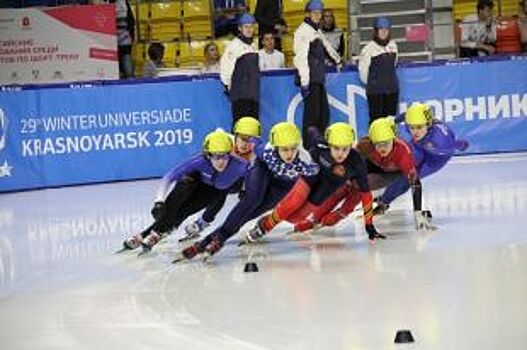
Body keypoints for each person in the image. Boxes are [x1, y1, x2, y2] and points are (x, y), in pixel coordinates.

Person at [173, 122, 320, 262]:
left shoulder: (305, 162)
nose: (289, 154)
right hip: (263, 170)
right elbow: (248, 140)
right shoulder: (266, 151)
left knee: (247, 215)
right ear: (275, 147)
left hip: (281, 186)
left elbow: (318, 171)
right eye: (284, 149)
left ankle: (204, 243)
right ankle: (219, 238)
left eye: (293, 149)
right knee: (251, 201)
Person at [241, 122, 386, 244]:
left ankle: (267, 219)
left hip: (325, 188)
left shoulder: (357, 162)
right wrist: (313, 130)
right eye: (336, 148)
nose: (341, 154)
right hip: (311, 176)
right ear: (329, 144)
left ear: (351, 146)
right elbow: (312, 131)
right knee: (293, 201)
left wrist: (369, 226)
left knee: (294, 218)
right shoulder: (321, 144)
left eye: (345, 149)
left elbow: (366, 195)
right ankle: (264, 228)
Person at [119, 130, 249, 254]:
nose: (221, 161)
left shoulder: (239, 165)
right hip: (197, 182)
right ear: (208, 155)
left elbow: (253, 176)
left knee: (186, 210)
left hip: (215, 189)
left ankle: (152, 234)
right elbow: (169, 177)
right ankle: (152, 233)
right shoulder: (199, 161)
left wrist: (244, 190)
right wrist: (159, 202)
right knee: (180, 193)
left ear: (230, 154)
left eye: (225, 156)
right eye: (216, 156)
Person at [304, 117, 435, 231]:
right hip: (372, 164)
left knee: (359, 187)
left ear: (393, 140)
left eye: (386, 144)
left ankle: (340, 213)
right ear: (372, 142)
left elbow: (415, 184)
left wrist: (418, 214)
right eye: (378, 144)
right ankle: (315, 217)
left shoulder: (403, 153)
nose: (382, 148)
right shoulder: (365, 145)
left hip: (390, 173)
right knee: (344, 184)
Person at [374, 103, 469, 215]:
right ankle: (385, 199)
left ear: (428, 125)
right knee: (402, 172)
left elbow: (460, 145)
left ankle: (384, 202)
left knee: (408, 180)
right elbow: (406, 115)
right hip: (418, 147)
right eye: (412, 127)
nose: (415, 132)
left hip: (435, 159)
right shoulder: (414, 121)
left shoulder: (442, 142)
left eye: (419, 127)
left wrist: (463, 146)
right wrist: (394, 120)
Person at [181, 117, 262, 241]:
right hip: (223, 176)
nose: (245, 145)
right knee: (218, 189)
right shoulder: (226, 140)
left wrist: (245, 190)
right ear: (235, 135)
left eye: (250, 140)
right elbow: (216, 136)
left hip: (240, 181)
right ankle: (201, 222)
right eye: (242, 139)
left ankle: (254, 226)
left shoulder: (256, 153)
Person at [294, 0, 342, 148]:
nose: (317, 16)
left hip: (318, 79)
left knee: (323, 115)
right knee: (312, 117)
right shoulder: (302, 32)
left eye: (319, 13)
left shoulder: (315, 31)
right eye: (314, 13)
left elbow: (327, 47)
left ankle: (319, 145)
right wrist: (305, 82)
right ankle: (309, 147)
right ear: (308, 14)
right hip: (311, 80)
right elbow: (300, 59)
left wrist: (337, 60)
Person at [358, 16, 399, 125]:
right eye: (381, 30)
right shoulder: (368, 49)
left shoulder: (393, 46)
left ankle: (391, 142)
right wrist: (374, 84)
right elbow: (363, 73)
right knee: (377, 123)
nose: (384, 32)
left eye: (386, 29)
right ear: (376, 31)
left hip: (392, 90)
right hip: (376, 92)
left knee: (390, 121)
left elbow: (394, 64)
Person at [220, 13, 260, 122]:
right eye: (246, 27)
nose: (249, 29)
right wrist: (229, 86)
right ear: (239, 28)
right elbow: (225, 68)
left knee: (253, 127)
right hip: (240, 95)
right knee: (241, 127)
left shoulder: (254, 45)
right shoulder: (234, 46)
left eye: (251, 26)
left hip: (253, 94)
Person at [112, 0, 135, 78]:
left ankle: (129, 79)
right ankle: (130, 81)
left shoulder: (108, 3)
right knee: (126, 58)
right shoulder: (124, 2)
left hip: (113, 40)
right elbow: (131, 21)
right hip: (124, 39)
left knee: (124, 61)